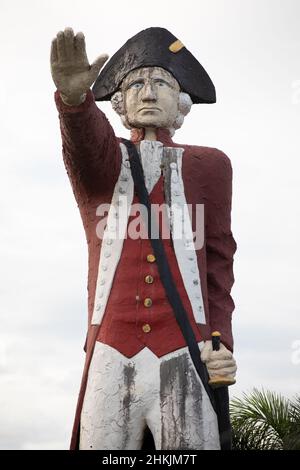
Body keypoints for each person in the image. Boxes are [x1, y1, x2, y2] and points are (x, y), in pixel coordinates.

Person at [51, 26, 237, 450]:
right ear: (120, 103)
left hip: (184, 348)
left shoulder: (210, 165)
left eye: (161, 84)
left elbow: (219, 263)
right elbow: (84, 146)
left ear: (181, 102)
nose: (149, 94)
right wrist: (74, 104)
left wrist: (220, 341)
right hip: (111, 348)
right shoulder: (106, 161)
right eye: (136, 83)